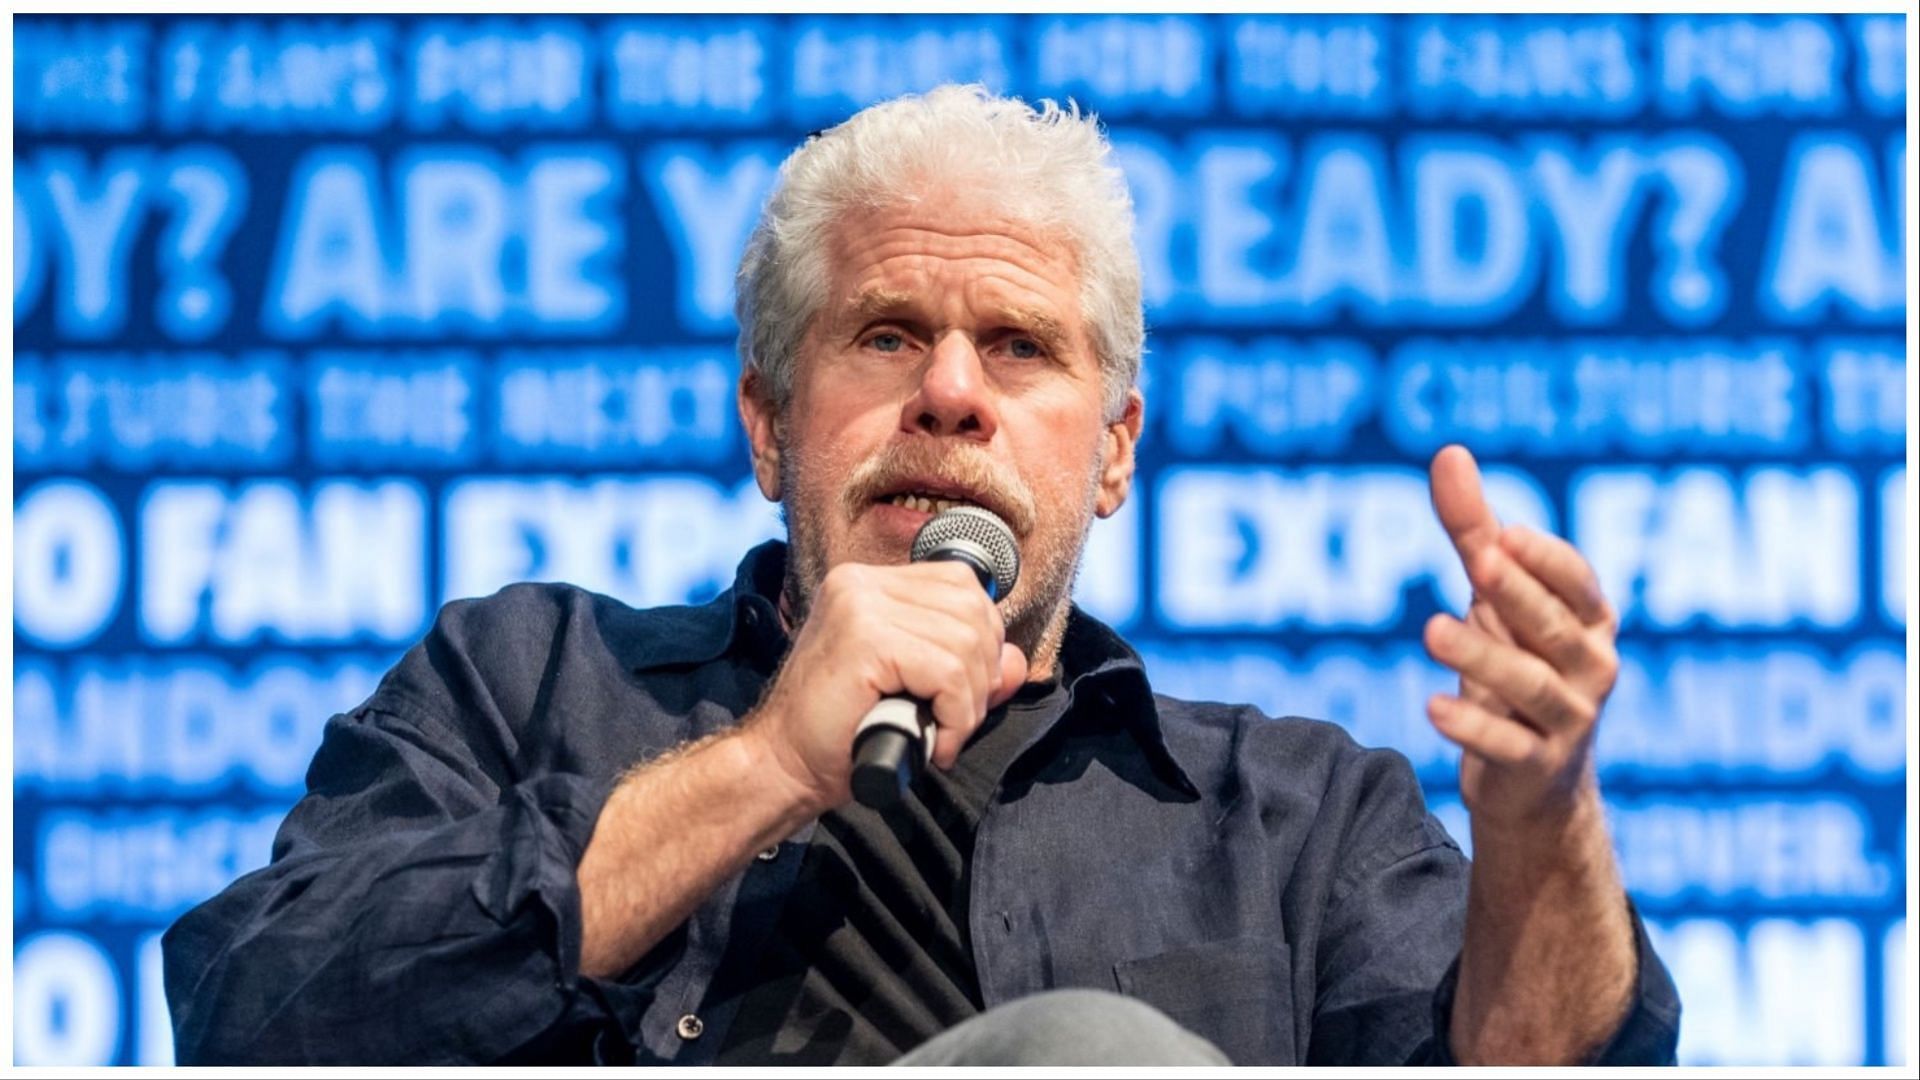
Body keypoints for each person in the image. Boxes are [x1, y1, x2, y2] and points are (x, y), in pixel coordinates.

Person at [163, 85, 1679, 1066]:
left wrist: (1544, 819)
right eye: (887, 336)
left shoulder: (1295, 818)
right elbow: (266, 1015)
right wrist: (759, 764)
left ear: (1113, 454)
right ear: (768, 424)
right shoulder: (524, 684)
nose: (952, 392)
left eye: (1020, 349)